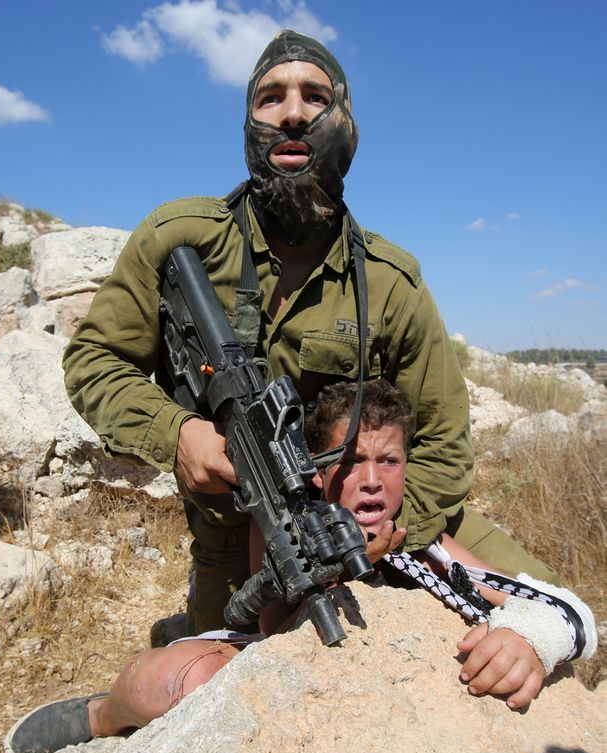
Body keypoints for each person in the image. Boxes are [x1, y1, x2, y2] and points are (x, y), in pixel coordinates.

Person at [60, 29, 557, 638]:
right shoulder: (177, 238)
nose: (292, 112)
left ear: (345, 122)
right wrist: (179, 433)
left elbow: (445, 449)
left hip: (381, 519)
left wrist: (380, 539)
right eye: (270, 97)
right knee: (205, 680)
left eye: (314, 97)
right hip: (238, 530)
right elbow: (95, 362)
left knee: (552, 617)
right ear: (248, 122)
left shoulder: (391, 281)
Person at [4, 380, 596, 753]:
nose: (370, 479)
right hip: (266, 653)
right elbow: (267, 619)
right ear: (316, 472)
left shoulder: (428, 548)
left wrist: (531, 639)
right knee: (167, 684)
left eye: (388, 461)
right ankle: (98, 716)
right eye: (350, 460)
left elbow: (570, 613)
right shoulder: (288, 519)